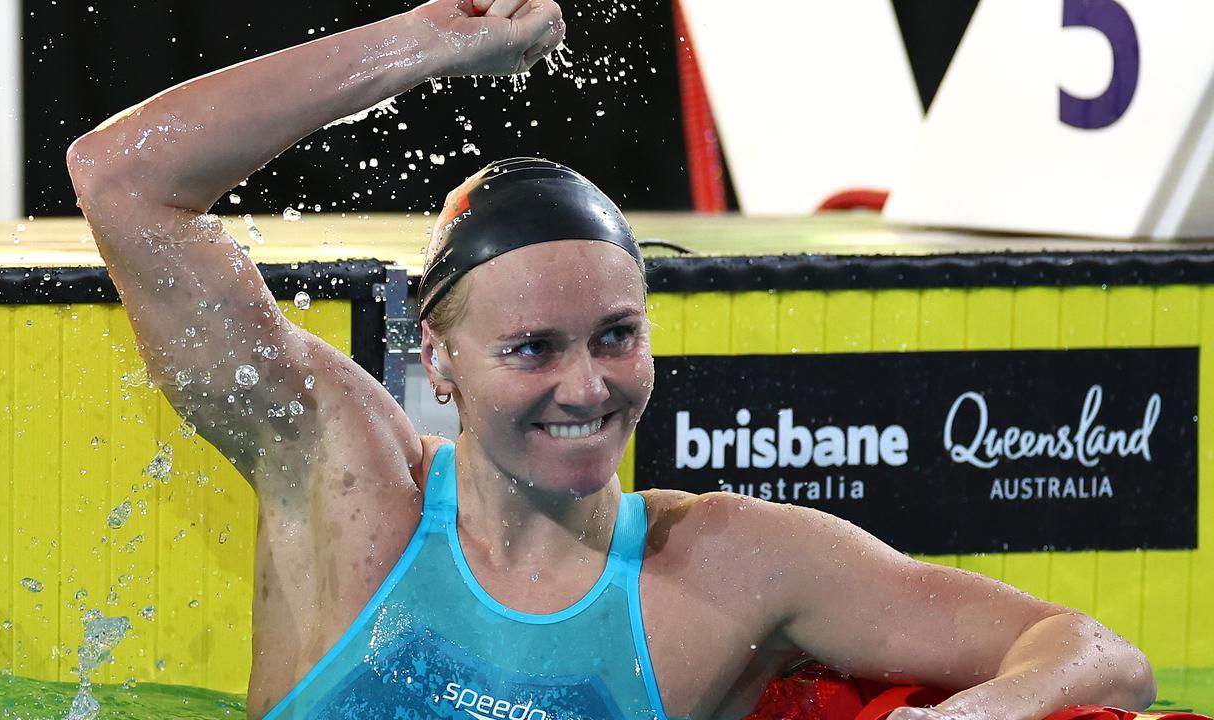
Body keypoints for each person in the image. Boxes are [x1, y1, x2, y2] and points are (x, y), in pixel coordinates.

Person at [65, 1, 1156, 719]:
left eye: (614, 337)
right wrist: (439, 38)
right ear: (437, 366)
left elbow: (1094, 651)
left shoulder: (730, 565)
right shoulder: (343, 487)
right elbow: (120, 175)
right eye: (532, 348)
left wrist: (975, 716)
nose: (585, 387)